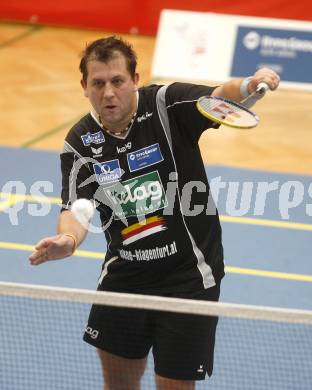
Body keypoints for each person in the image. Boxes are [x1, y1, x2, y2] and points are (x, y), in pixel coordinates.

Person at [29, 36, 280, 390]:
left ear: (135, 79)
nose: (109, 92)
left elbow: (216, 96)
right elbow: (78, 205)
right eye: (98, 83)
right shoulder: (81, 141)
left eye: (118, 81)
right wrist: (68, 239)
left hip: (189, 278)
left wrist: (248, 85)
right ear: (84, 87)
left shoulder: (166, 105)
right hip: (126, 276)